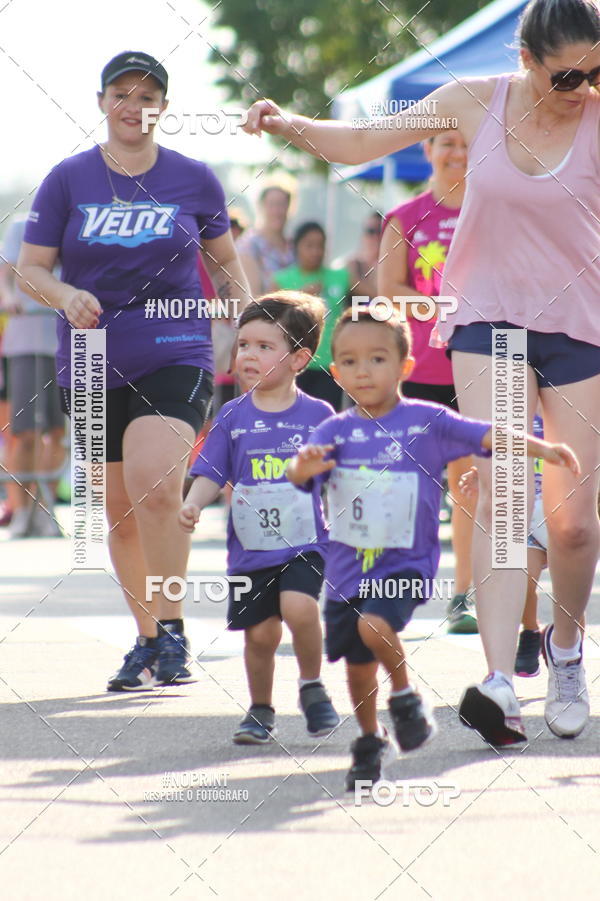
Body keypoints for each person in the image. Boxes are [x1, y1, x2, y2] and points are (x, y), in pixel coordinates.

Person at [244, 0, 600, 745]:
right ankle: (500, 680)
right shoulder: (477, 101)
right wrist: (288, 124)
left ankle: (566, 653)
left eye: (597, 69)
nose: (582, 85)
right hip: (490, 320)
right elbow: (361, 142)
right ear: (528, 59)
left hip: (581, 326)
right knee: (503, 499)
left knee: (571, 525)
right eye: (567, 72)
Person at [18, 51, 251, 690]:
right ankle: (147, 637)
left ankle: (173, 628)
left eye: (147, 95)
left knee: (155, 484)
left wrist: (243, 329)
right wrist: (64, 296)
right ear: (102, 102)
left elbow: (226, 264)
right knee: (119, 509)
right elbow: (29, 267)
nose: (133, 104)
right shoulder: (68, 180)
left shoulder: (195, 179)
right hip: (90, 358)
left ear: (163, 109)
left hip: (176, 347)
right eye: (121, 93)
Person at [287, 308, 578, 786]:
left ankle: (403, 695)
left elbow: (487, 435)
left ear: (405, 366)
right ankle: (369, 736)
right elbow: (298, 474)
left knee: (374, 624)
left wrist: (540, 448)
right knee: (357, 667)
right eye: (351, 362)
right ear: (335, 372)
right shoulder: (333, 432)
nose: (364, 371)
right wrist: (304, 468)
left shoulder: (428, 421)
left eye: (377, 359)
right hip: (345, 572)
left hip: (405, 562)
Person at [179, 292, 340, 743]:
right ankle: (260, 709)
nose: (248, 354)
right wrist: (193, 502)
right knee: (261, 634)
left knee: (299, 606)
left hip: (306, 541)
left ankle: (312, 687)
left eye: (264, 347)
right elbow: (212, 471)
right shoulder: (232, 416)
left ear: (298, 358)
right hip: (250, 549)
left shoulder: (319, 414)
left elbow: (340, 470)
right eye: (244, 344)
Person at [378, 131, 477, 635]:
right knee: (410, 485)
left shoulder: (494, 209)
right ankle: (394, 588)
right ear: (427, 150)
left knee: (469, 485)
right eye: (446, 144)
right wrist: (444, 307)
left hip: (480, 362)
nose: (457, 153)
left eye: (466, 144)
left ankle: (464, 595)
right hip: (423, 366)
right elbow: (388, 289)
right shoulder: (406, 216)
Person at [460, 413, 548, 678]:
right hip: (524, 513)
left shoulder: (577, 393)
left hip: (568, 511)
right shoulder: (514, 404)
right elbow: (495, 448)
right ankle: (532, 631)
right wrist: (480, 474)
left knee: (570, 597)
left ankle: (567, 655)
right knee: (522, 579)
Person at [1, 215, 65, 538]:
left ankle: (45, 506)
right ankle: (21, 510)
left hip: (63, 343)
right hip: (26, 341)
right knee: (24, 431)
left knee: (57, 430)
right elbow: (6, 272)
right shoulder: (22, 226)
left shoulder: (76, 225)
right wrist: (8, 297)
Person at [272, 221, 350, 410]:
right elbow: (270, 321)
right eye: (309, 245)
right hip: (293, 362)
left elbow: (375, 294)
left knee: (326, 419)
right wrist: (300, 297)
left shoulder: (341, 276)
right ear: (296, 247)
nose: (316, 251)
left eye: (320, 245)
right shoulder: (281, 279)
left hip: (329, 364)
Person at [236, 184, 294, 295]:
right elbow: (253, 298)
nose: (277, 211)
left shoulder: (295, 245)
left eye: (282, 204)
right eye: (271, 205)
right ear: (261, 207)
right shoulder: (249, 245)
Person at [345, 212, 382, 300]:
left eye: (380, 231)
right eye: (371, 231)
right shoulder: (353, 264)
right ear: (363, 235)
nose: (376, 236)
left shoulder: (392, 266)